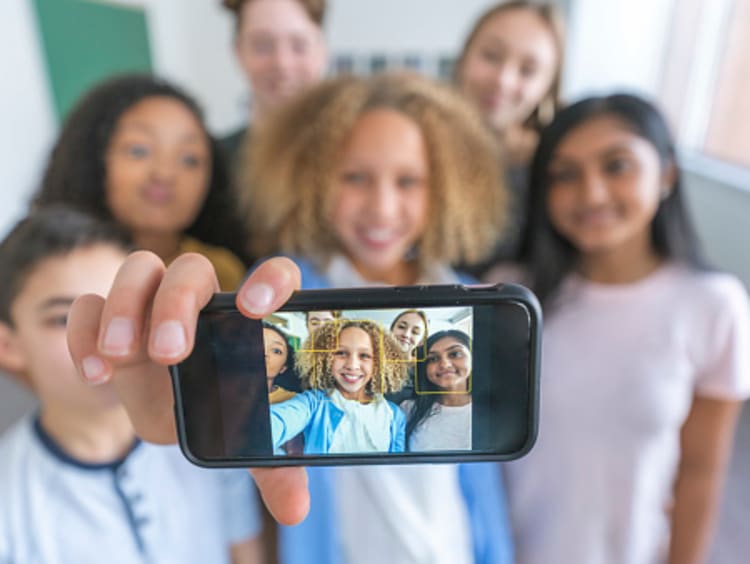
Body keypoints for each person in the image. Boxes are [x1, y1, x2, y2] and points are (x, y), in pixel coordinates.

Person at [239, 71, 512, 564]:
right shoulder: (284, 290)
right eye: (355, 177)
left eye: (408, 181)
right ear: (316, 179)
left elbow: (481, 473)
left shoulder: (468, 296)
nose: (382, 207)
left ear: (444, 188)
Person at [486, 94, 750, 564]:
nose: (592, 193)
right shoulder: (508, 295)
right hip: (498, 550)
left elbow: (700, 473)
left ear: (666, 173)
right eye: (564, 174)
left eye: (617, 166)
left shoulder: (714, 306)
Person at [0, 207, 263, 563]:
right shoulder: (11, 501)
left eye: (119, 311)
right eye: (62, 318)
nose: (107, 339)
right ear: (7, 345)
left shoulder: (209, 437)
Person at [32, 73, 249, 288]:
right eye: (139, 150)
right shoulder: (51, 270)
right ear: (91, 159)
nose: (164, 173)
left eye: (189, 159)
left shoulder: (221, 272)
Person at [455, 0, 565, 269]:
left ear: (547, 89)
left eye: (527, 70)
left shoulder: (558, 168)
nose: (503, 80)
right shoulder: (417, 147)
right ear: (464, 57)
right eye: (491, 56)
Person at [270, 320, 408, 454]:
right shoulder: (313, 403)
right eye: (341, 353)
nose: (352, 365)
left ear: (378, 363)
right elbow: (277, 421)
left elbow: (396, 467)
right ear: (325, 358)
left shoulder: (394, 415)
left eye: (364, 355)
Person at [220, 0, 328, 166]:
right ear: (238, 52)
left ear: (322, 50)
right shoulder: (214, 163)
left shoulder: (358, 153)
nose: (282, 63)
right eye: (262, 46)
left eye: (299, 45)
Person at [402, 330, 473, 452]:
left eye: (455, 354)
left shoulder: (494, 411)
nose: (444, 364)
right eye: (433, 359)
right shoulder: (408, 409)